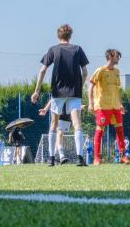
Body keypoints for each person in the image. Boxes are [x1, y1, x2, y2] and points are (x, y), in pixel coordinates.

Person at [32, 24, 89, 167]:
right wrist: (79, 87)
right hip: (74, 92)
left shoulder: (53, 50)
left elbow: (42, 71)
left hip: (57, 91)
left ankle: (51, 159)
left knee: (53, 124)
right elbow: (85, 72)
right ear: (70, 36)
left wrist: (37, 90)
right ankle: (80, 158)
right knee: (77, 124)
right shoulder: (77, 49)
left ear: (58, 36)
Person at [88, 48, 130, 165]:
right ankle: (96, 158)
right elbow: (91, 86)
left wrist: (120, 104)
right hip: (102, 106)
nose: (118, 59)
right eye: (117, 56)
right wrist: (90, 102)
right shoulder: (100, 70)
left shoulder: (117, 71)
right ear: (110, 57)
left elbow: (116, 90)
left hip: (115, 106)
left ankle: (123, 156)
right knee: (100, 131)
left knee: (120, 131)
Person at [38, 98, 72, 164]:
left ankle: (55, 157)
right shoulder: (58, 90)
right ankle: (61, 155)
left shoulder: (71, 90)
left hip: (67, 117)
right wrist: (45, 109)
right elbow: (52, 98)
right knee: (59, 133)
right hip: (59, 115)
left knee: (59, 137)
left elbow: (73, 99)